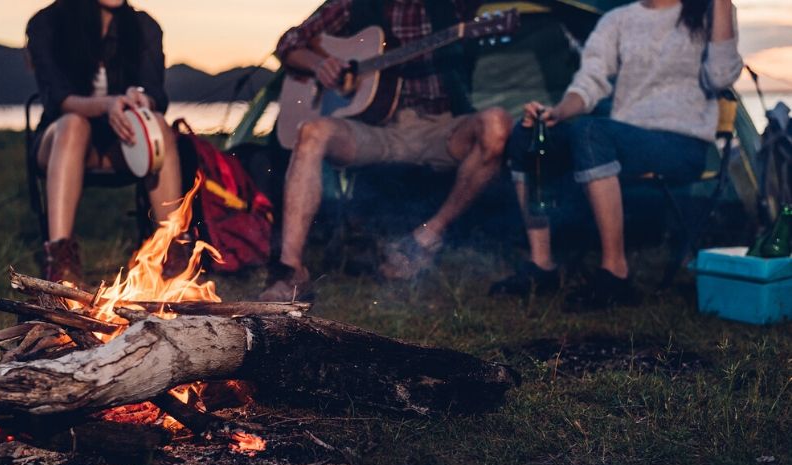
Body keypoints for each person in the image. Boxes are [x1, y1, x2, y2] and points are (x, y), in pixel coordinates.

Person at [490, 0, 742, 308]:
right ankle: (541, 265)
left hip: (682, 144)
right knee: (527, 132)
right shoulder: (618, 19)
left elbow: (721, 77)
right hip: (626, 138)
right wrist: (557, 112)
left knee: (592, 132)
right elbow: (590, 82)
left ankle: (615, 273)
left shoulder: (708, 12)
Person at [258, 0, 512, 301]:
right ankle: (291, 271)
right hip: (375, 129)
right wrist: (321, 65)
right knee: (312, 132)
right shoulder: (353, 3)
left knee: (497, 123)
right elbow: (289, 42)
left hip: (439, 127)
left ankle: (428, 236)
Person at [26, 0, 183, 286]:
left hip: (120, 144)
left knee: (159, 126)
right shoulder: (47, 23)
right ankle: (61, 261)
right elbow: (58, 99)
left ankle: (173, 251)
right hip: (61, 141)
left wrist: (140, 100)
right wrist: (107, 105)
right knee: (74, 124)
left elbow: (157, 94)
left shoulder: (142, 26)